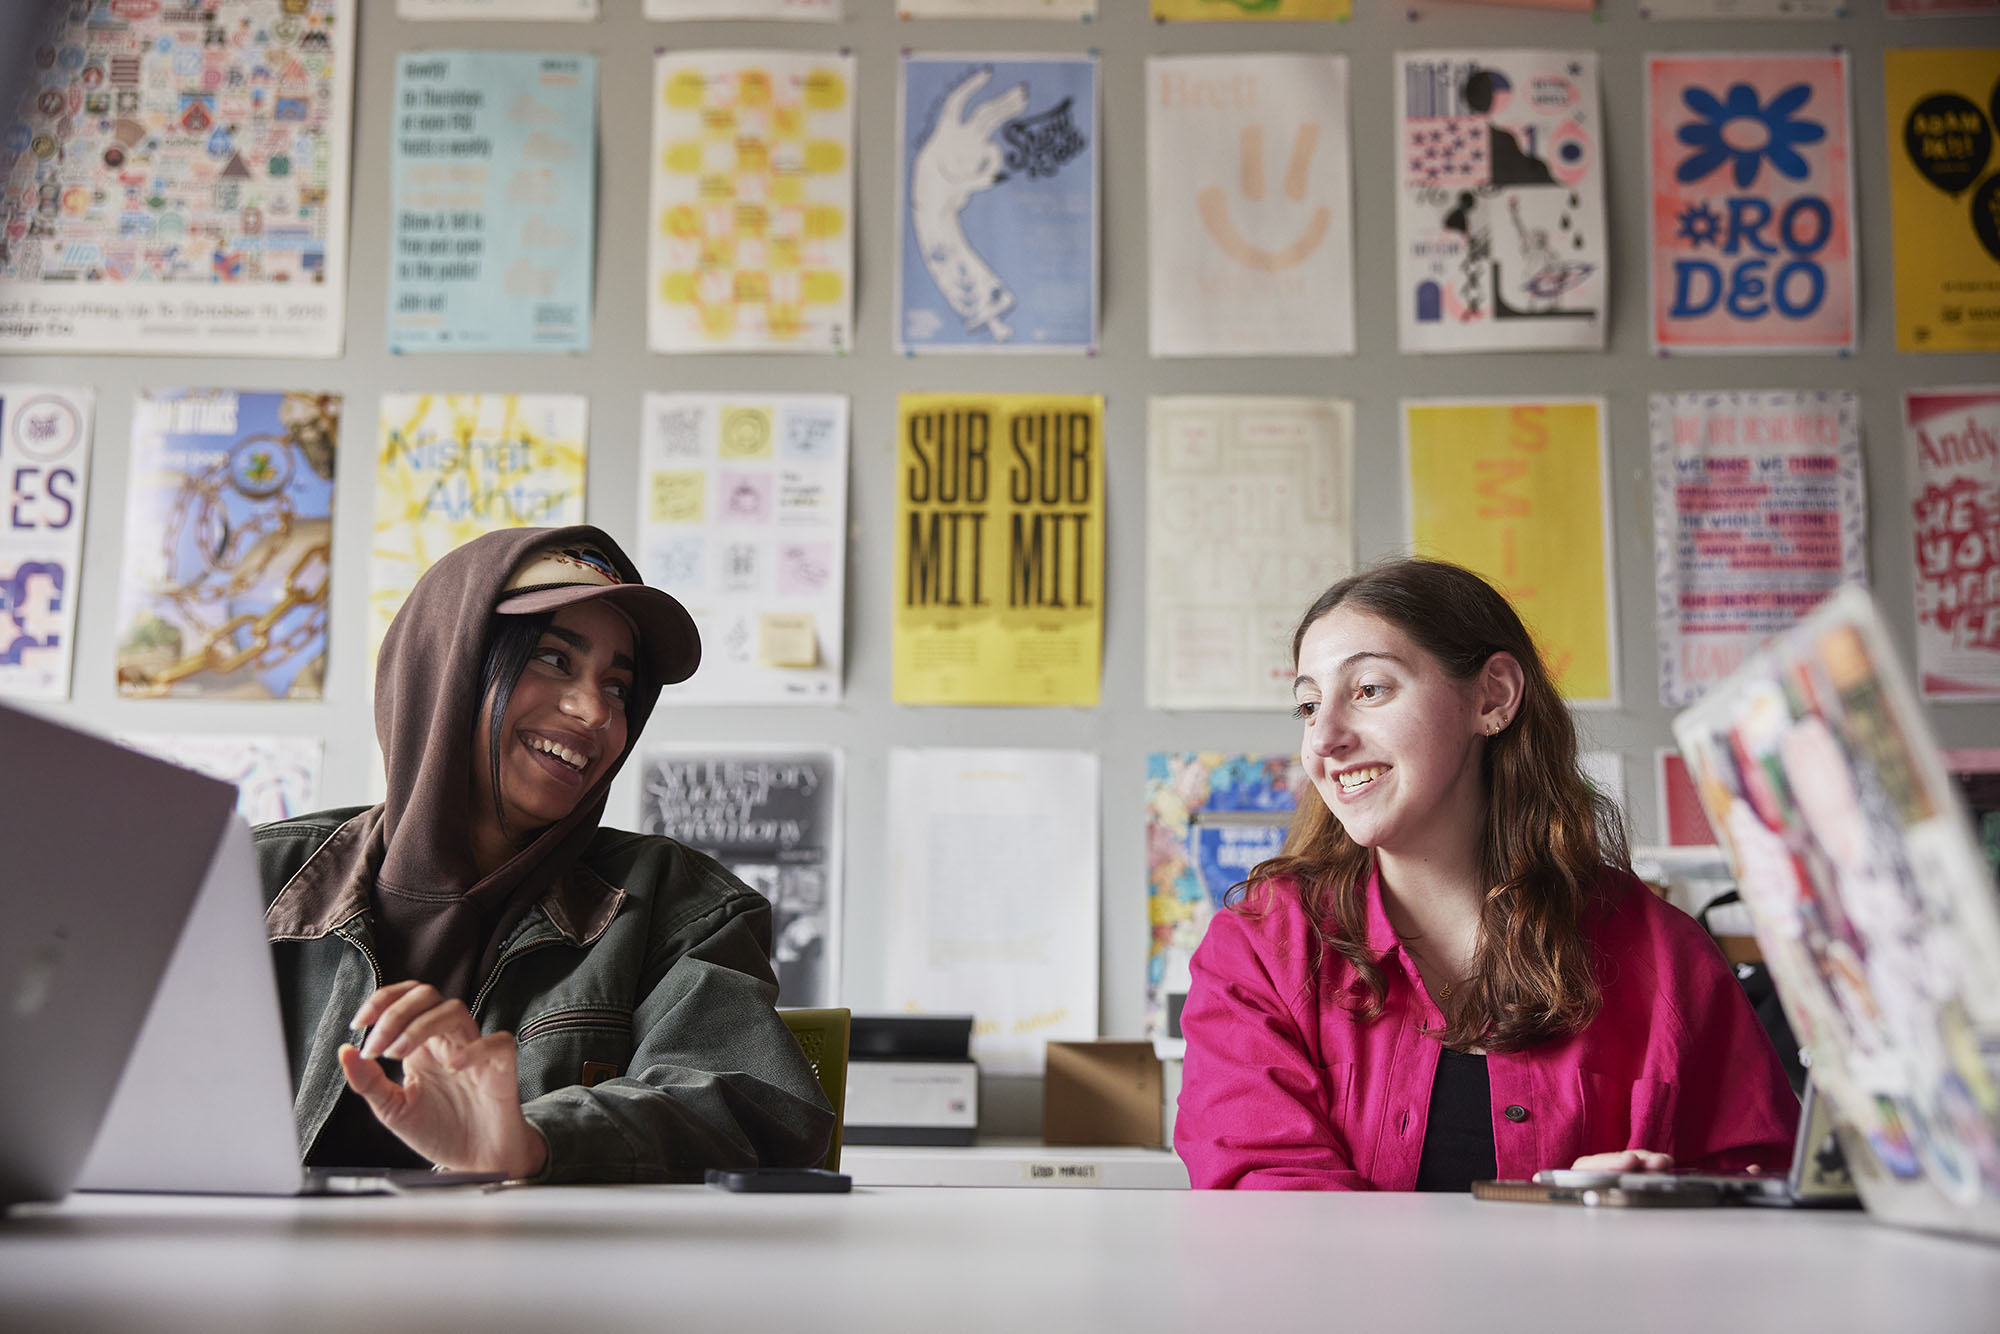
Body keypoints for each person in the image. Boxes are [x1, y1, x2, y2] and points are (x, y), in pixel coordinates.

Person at [1175, 559, 1799, 1191]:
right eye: (1308, 706)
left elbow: (1761, 1190)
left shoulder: (1669, 958)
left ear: (1493, 696)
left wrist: (1657, 1204)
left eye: (1369, 690)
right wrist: (1546, 1239)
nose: (1323, 739)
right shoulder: (1260, 951)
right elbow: (1266, 1201)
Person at [255, 525, 834, 1182]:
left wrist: (532, 1141)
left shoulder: (680, 905)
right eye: (554, 659)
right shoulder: (252, 881)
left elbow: (754, 1104)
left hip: (536, 1254)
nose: (595, 712)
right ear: (445, 669)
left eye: (618, 687)